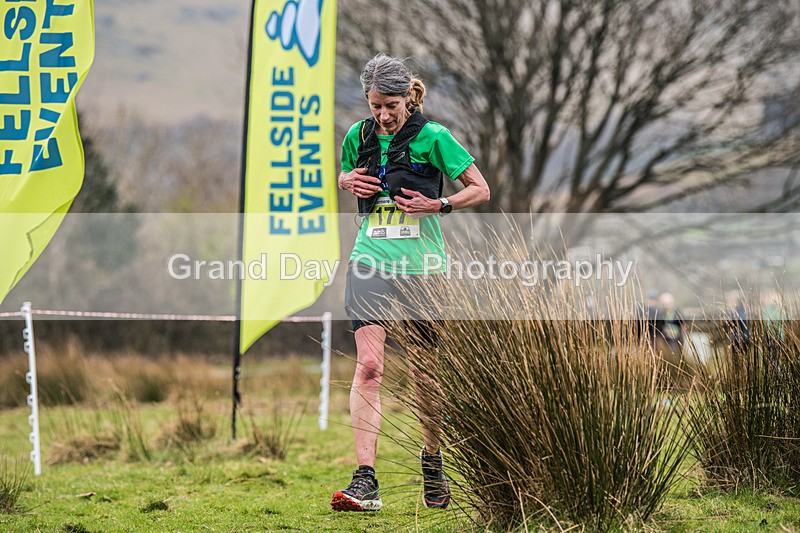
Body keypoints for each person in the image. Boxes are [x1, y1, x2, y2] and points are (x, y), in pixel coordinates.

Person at [331, 53, 490, 512]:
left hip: (423, 269)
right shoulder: (357, 136)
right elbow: (347, 176)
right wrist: (346, 181)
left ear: (408, 99)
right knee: (369, 366)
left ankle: (432, 458)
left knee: (424, 372)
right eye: (375, 105)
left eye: (391, 106)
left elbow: (480, 189)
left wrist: (439, 205)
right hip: (369, 262)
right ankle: (365, 480)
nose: (383, 115)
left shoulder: (434, 136)